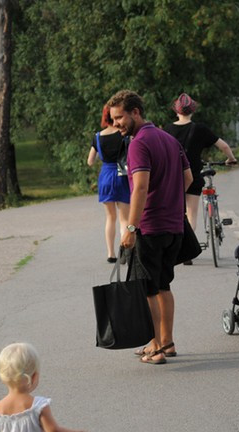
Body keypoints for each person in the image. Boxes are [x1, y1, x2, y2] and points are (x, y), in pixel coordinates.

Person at [108, 89, 193, 365]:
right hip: (174, 226)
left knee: (147, 290)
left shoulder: (138, 144)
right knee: (163, 285)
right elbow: (188, 178)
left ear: (135, 112)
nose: (116, 124)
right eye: (113, 119)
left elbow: (141, 187)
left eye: (119, 117)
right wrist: (170, 201)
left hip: (150, 227)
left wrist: (131, 227)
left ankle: (155, 348)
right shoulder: (169, 139)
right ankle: (167, 342)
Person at [162, 92, 237, 234]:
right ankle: (189, 245)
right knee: (191, 214)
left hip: (173, 179)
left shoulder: (167, 130)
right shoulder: (200, 129)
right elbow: (224, 147)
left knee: (175, 213)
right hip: (193, 176)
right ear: (193, 110)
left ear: (176, 111)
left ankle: (176, 243)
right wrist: (231, 159)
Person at [87, 104, 131, 263]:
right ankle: (125, 250)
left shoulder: (98, 137)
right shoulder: (123, 134)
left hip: (105, 176)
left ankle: (111, 254)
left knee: (110, 217)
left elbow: (90, 161)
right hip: (122, 175)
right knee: (124, 218)